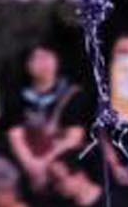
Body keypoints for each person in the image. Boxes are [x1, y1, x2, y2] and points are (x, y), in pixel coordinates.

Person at [5, 44, 86, 193]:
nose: (44, 63)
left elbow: (74, 138)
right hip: (26, 164)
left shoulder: (72, 95)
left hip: (62, 161)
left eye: (48, 57)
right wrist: (31, 165)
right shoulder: (17, 97)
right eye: (37, 59)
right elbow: (15, 136)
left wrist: (44, 163)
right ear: (28, 66)